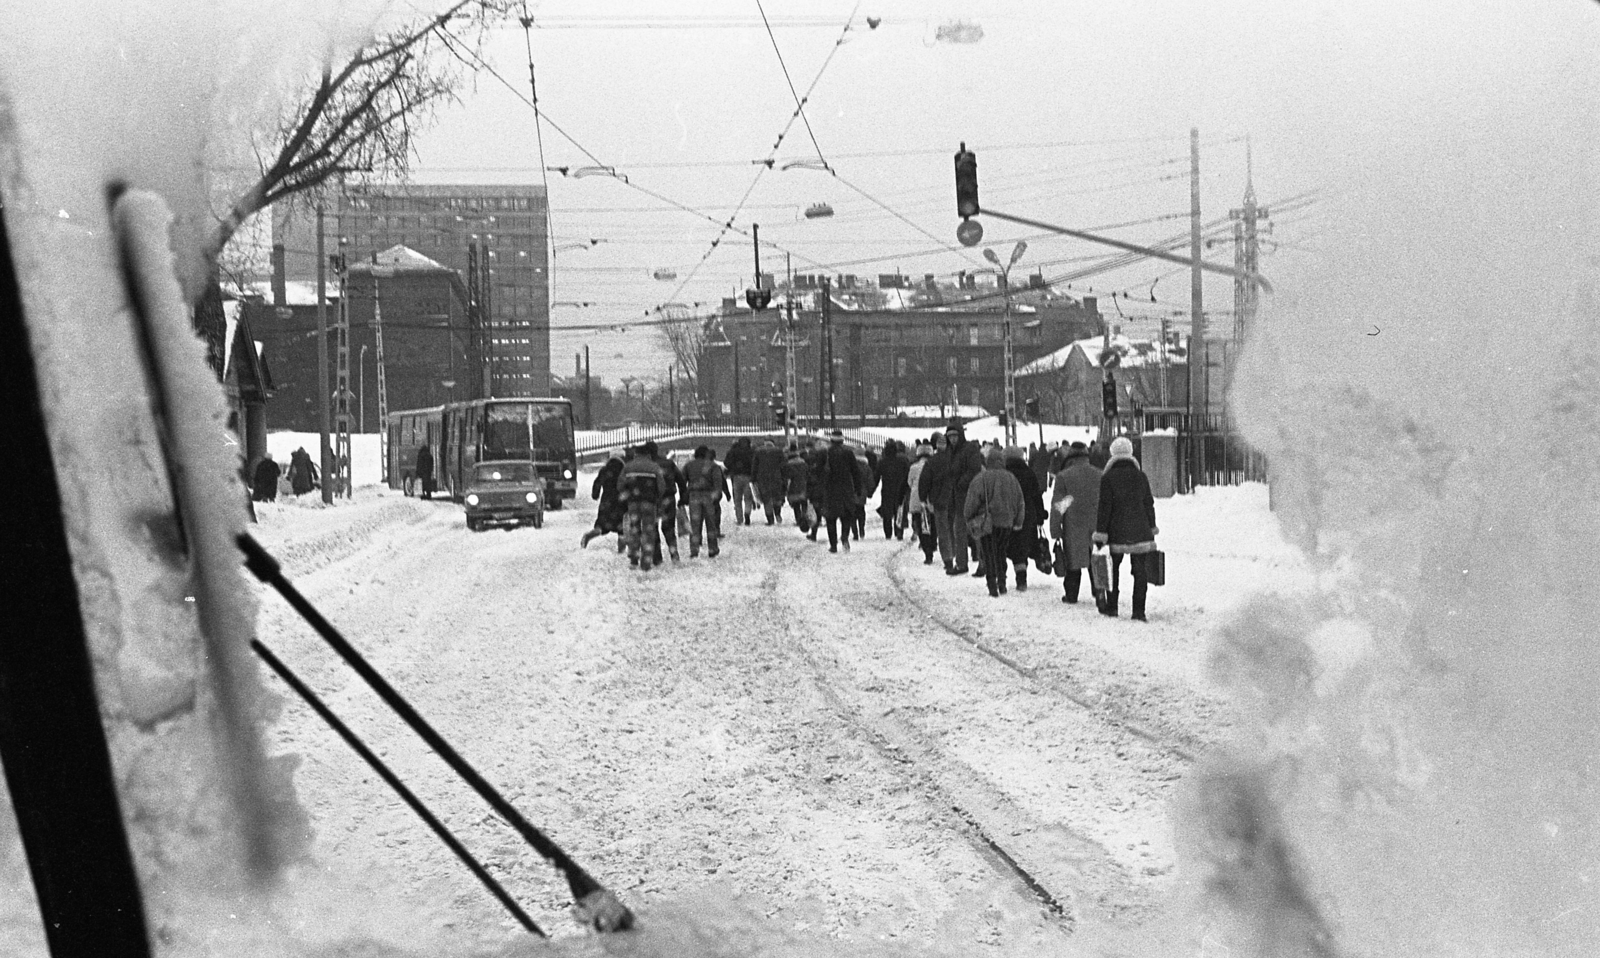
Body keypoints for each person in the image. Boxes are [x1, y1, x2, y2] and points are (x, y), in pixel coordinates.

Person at [1092, 435, 1158, 620]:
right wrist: (1152, 527)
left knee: (1113, 569)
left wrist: (1101, 532)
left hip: (1116, 532)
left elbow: (1104, 507)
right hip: (1140, 530)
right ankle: (1139, 611)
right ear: (1130, 454)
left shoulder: (1108, 478)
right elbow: (1148, 504)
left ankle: (1112, 607)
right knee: (1140, 570)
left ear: (1112, 454)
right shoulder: (1141, 476)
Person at [918, 422, 984, 576]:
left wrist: (960, 482)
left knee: (975, 530)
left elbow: (974, 469)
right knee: (959, 530)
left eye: (955, 436)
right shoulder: (951, 452)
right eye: (950, 437)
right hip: (955, 497)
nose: (953, 439)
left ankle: (983, 562)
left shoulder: (969, 449)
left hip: (970, 495)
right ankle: (961, 563)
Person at [964, 445, 1025, 597]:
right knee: (1001, 552)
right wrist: (1018, 520)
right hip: (1007, 522)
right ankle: (1002, 582)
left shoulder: (981, 478)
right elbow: (1019, 501)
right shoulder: (1011, 478)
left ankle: (992, 584)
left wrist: (969, 517)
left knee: (988, 553)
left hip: (987, 522)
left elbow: (972, 500)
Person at [1050, 441, 1101, 604]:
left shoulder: (1064, 476)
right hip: (1096, 524)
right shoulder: (1099, 474)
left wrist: (1055, 529)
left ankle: (1071, 594)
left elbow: (1060, 506)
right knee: (1097, 558)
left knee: (1073, 562)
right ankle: (1099, 591)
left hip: (1073, 525)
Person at [1003, 445, 1046, 592]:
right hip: (1028, 515)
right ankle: (1021, 580)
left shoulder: (1004, 473)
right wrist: (1040, 515)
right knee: (1021, 546)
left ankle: (1001, 578)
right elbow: (1036, 495)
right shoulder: (1029, 472)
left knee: (1008, 546)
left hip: (1008, 514)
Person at [619, 446, 665, 570]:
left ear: (636, 454)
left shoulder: (628, 467)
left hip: (633, 503)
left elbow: (620, 485)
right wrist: (656, 497)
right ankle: (646, 561)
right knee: (648, 531)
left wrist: (628, 494)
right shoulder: (654, 467)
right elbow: (662, 487)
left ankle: (634, 558)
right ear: (648, 454)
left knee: (634, 529)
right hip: (649, 503)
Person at [682, 445, 730, 558]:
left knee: (695, 524)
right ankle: (712, 548)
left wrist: (685, 495)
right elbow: (718, 483)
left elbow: (683, 481)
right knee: (711, 524)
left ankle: (694, 549)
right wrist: (716, 496)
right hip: (709, 495)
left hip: (694, 495)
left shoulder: (689, 465)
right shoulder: (713, 466)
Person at [820, 429, 864, 552]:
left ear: (831, 440)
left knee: (831, 518)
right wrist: (858, 487)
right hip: (846, 488)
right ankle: (844, 537)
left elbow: (819, 472)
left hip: (830, 489)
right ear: (842, 440)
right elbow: (855, 471)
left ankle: (833, 545)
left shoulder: (826, 453)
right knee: (846, 515)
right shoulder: (848, 453)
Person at [647, 441, 687, 563]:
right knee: (669, 528)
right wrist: (683, 497)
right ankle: (674, 554)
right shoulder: (668, 464)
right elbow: (681, 480)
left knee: (652, 528)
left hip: (652, 500)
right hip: (669, 498)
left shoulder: (647, 466)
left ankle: (657, 557)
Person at [581, 450, 626, 549]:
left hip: (606, 501)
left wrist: (595, 495)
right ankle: (621, 550)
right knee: (622, 528)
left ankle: (589, 535)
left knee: (602, 525)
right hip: (621, 502)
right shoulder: (624, 471)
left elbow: (597, 483)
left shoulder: (605, 470)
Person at [905, 443, 937, 563]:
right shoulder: (934, 466)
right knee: (932, 524)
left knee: (920, 524)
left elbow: (909, 482)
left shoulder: (913, 467)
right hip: (930, 499)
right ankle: (933, 543)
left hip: (916, 499)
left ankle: (926, 550)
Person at [874, 439, 911, 540]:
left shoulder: (882, 462)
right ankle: (899, 531)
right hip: (900, 488)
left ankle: (888, 533)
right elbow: (908, 474)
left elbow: (876, 476)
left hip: (887, 489)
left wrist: (871, 489)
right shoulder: (902, 461)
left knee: (887, 512)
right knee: (899, 510)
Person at [752, 438, 787, 525]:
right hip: (776, 477)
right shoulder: (779, 451)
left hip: (763, 478)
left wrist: (753, 478)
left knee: (766, 498)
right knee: (776, 496)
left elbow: (755, 465)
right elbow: (783, 465)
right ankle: (777, 513)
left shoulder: (758, 451)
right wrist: (784, 476)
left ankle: (770, 519)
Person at [724, 437, 757, 526]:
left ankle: (739, 518)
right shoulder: (751, 452)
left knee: (737, 499)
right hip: (748, 476)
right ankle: (747, 513)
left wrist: (732, 468)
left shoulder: (733, 451)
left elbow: (727, 463)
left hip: (736, 476)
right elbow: (755, 463)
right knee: (748, 498)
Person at [782, 443, 811, 533]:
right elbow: (807, 474)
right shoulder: (803, 463)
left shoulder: (788, 465)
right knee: (804, 502)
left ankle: (798, 519)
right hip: (803, 485)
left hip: (793, 486)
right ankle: (805, 517)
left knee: (796, 504)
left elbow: (786, 476)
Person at [803, 437, 826, 542]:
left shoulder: (813, 466)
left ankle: (814, 533)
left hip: (815, 492)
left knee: (815, 512)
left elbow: (810, 480)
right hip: (826, 491)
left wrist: (808, 493)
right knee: (822, 511)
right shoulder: (829, 465)